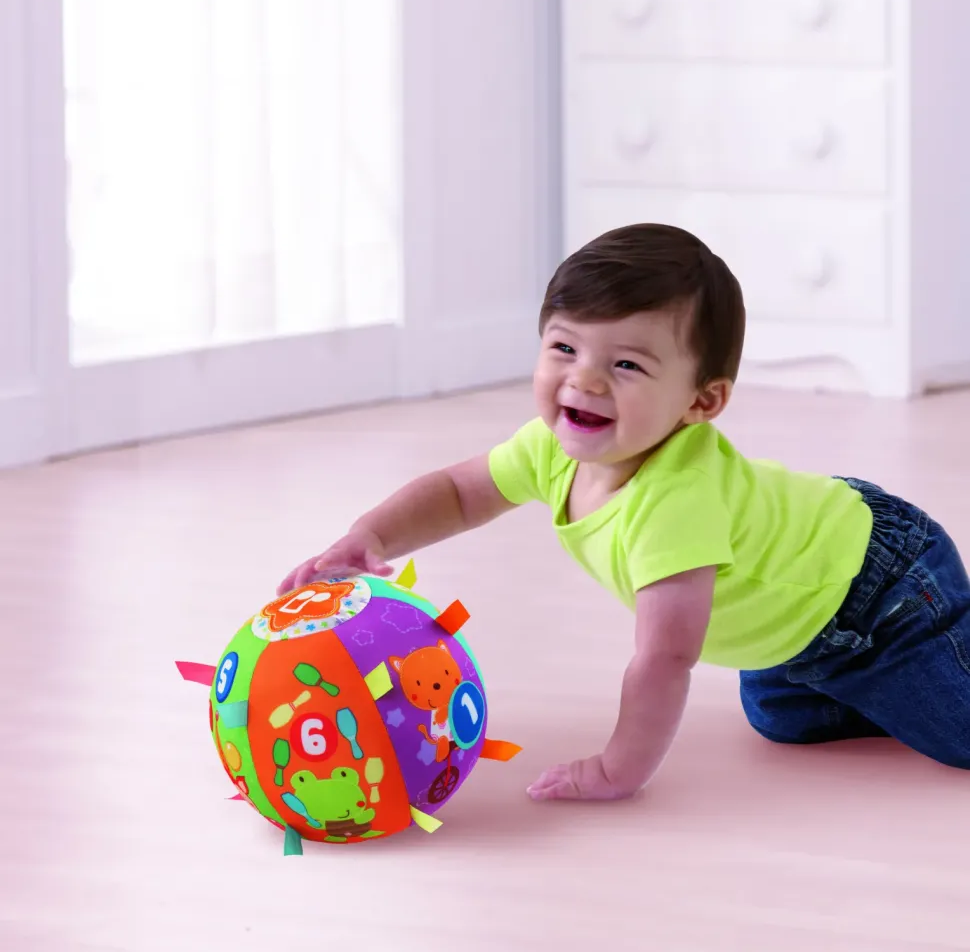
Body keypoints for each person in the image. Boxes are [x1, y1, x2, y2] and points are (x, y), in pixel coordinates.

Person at [276, 223, 970, 801]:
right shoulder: (553, 448)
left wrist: (619, 768)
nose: (584, 378)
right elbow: (459, 492)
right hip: (804, 613)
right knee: (778, 719)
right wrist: (368, 537)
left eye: (627, 366)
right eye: (564, 348)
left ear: (701, 401)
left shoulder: (676, 503)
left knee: (960, 734)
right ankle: (873, 678)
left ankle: (922, 654)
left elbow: (666, 656)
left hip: (884, 591)